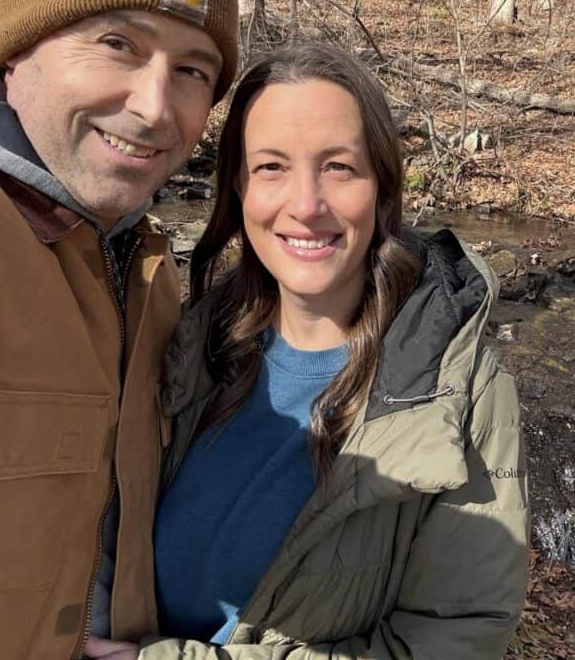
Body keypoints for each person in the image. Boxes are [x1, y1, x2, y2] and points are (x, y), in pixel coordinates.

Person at [100, 43, 528, 660]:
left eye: (338, 167)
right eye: (271, 167)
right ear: (238, 190)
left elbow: (454, 637)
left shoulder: (464, 397)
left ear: (382, 189)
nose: (305, 205)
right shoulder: (187, 341)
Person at [0, 0, 237, 658]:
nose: (155, 108)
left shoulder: (144, 264)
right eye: (118, 43)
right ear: (18, 48)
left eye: (193, 70)